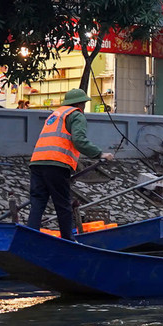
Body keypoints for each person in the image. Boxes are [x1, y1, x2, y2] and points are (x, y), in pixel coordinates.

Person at [25, 88, 115, 236]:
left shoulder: (55, 115)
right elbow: (79, 140)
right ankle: (68, 240)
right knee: (62, 204)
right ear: (81, 104)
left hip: (37, 162)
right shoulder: (76, 115)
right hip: (57, 164)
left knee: (37, 202)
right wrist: (100, 153)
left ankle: (29, 237)